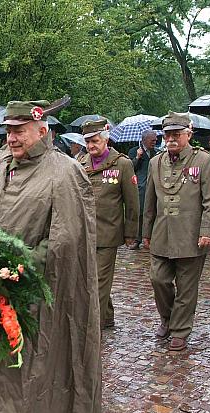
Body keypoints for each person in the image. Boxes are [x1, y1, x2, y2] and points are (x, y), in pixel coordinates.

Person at [0, 99, 101, 413]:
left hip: (38, 286)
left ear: (42, 131)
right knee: (9, 359)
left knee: (21, 361)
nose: (12, 136)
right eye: (8, 130)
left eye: (19, 130)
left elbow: (67, 237)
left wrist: (22, 266)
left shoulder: (65, 172)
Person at [142, 112, 210, 351]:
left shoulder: (203, 161)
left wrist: (208, 230)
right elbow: (150, 201)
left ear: (189, 134)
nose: (171, 139)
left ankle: (180, 331)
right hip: (161, 234)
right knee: (158, 279)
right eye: (168, 135)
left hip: (191, 235)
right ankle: (167, 317)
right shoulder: (156, 162)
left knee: (187, 287)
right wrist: (145, 232)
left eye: (177, 134)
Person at [79, 118, 138, 329]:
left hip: (107, 233)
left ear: (105, 139)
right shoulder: (80, 163)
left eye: (94, 141)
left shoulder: (122, 164)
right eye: (88, 142)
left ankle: (92, 326)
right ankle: (107, 316)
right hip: (84, 232)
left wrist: (131, 233)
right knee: (89, 278)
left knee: (98, 281)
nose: (90, 146)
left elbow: (132, 202)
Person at [128, 130, 157, 249]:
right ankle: (137, 238)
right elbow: (130, 169)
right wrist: (137, 157)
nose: (155, 142)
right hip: (140, 187)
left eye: (156, 140)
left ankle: (150, 237)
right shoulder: (134, 151)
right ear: (144, 140)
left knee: (152, 212)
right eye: (152, 140)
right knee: (140, 213)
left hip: (153, 185)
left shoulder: (155, 153)